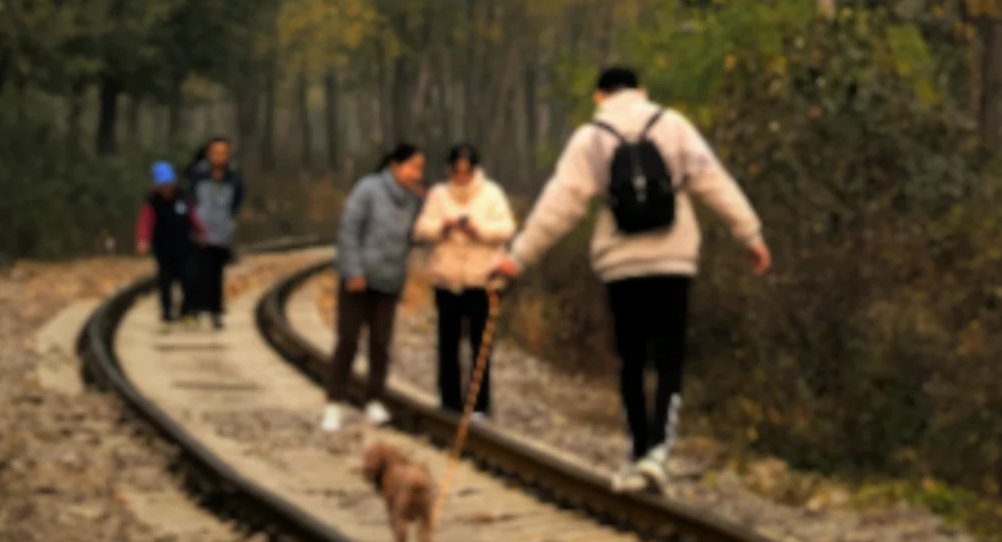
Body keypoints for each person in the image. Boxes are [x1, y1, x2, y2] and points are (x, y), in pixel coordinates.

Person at [492, 65, 771, 495]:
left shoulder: (591, 137)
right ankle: (660, 451)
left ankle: (637, 452)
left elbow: (558, 206)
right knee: (670, 355)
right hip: (674, 259)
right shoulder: (673, 124)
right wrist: (749, 234)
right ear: (642, 91)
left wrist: (517, 258)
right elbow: (713, 180)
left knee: (631, 358)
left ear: (598, 96)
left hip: (620, 264)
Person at [321, 142, 426, 434]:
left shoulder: (413, 199)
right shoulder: (368, 189)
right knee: (348, 341)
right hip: (358, 280)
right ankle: (334, 401)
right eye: (413, 166)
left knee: (381, 343)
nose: (417, 173)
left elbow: (422, 231)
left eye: (420, 168)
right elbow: (349, 230)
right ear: (394, 166)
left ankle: (374, 400)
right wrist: (352, 270)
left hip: (389, 280)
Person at [413, 142, 516, 419]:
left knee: (480, 347)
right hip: (446, 280)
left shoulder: (492, 193)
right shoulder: (437, 194)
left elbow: (507, 228)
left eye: (466, 171)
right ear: (449, 169)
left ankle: (479, 405)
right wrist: (442, 228)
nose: (460, 176)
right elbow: (421, 229)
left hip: (481, 281)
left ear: (474, 170)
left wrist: (477, 230)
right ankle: (448, 402)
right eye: (456, 170)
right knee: (447, 344)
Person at [185, 137, 244, 330]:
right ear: (208, 154)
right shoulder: (196, 173)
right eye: (215, 152)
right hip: (198, 229)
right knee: (196, 271)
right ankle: (193, 308)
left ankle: (215, 311)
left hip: (221, 231)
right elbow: (189, 198)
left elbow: (237, 200)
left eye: (223, 153)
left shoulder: (233, 176)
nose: (219, 157)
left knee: (216, 273)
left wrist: (230, 221)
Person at [135, 161, 203, 324]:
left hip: (184, 246)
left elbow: (192, 218)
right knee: (165, 282)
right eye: (163, 185)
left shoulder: (182, 198)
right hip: (163, 249)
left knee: (189, 279)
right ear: (156, 185)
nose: (167, 188)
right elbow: (145, 223)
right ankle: (166, 313)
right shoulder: (152, 203)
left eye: (169, 184)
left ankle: (187, 311)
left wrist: (201, 233)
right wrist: (142, 240)